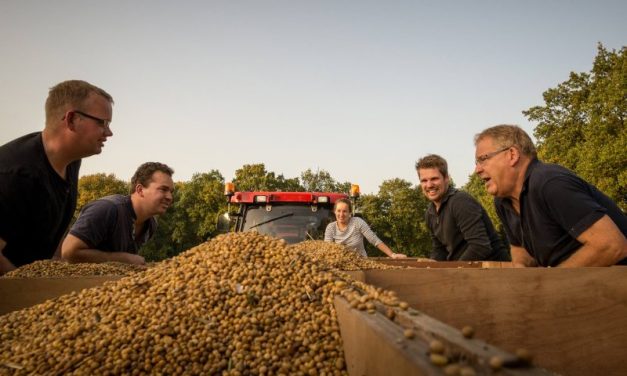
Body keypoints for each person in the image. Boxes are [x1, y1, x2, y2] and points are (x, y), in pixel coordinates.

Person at [0, 80, 114, 275]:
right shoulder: (15, 175)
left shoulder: (71, 161)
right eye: (101, 122)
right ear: (70, 120)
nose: (109, 132)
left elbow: (52, 224)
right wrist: (31, 293)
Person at [474, 124, 627, 267]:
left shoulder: (550, 183)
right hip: (581, 287)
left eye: (483, 159)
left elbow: (612, 246)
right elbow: (522, 254)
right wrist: (520, 278)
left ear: (512, 155)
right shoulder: (502, 201)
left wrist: (552, 283)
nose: (477, 170)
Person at [61, 162, 175, 265]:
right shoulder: (107, 209)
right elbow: (68, 252)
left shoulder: (151, 224)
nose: (170, 197)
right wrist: (122, 259)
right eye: (163, 190)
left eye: (171, 192)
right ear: (140, 190)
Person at [416, 154, 510, 261]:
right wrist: (431, 264)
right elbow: (440, 250)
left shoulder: (460, 201)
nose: (429, 185)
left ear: (447, 178)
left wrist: (453, 272)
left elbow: (480, 246)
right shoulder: (430, 213)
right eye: (424, 180)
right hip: (463, 271)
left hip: (492, 270)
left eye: (434, 179)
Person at [324, 198, 406, 258]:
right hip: (341, 264)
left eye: (345, 211)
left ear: (350, 213)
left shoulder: (357, 222)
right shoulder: (331, 227)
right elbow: (327, 249)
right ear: (334, 212)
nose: (341, 214)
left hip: (361, 262)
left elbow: (374, 239)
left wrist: (392, 254)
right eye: (338, 211)